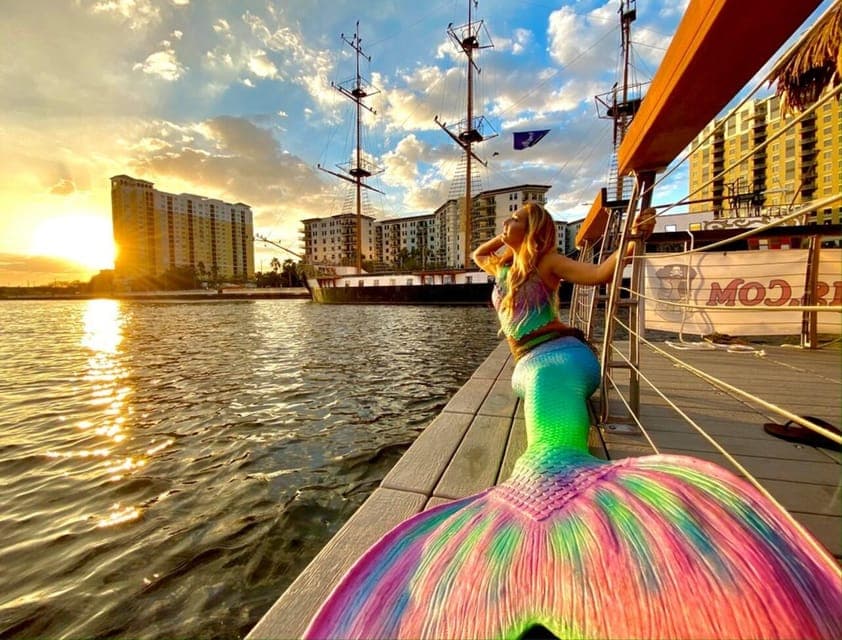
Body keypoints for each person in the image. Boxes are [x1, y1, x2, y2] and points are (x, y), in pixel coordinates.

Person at [305, 202, 842, 640]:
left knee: (550, 456)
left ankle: (577, 533)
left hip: (560, 359)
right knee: (530, 388)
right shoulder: (505, 267)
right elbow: (476, 251)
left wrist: (632, 242)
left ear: (531, 227)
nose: (503, 227)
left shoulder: (548, 264)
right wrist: (506, 243)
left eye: (512, 220)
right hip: (526, 365)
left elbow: (604, 274)